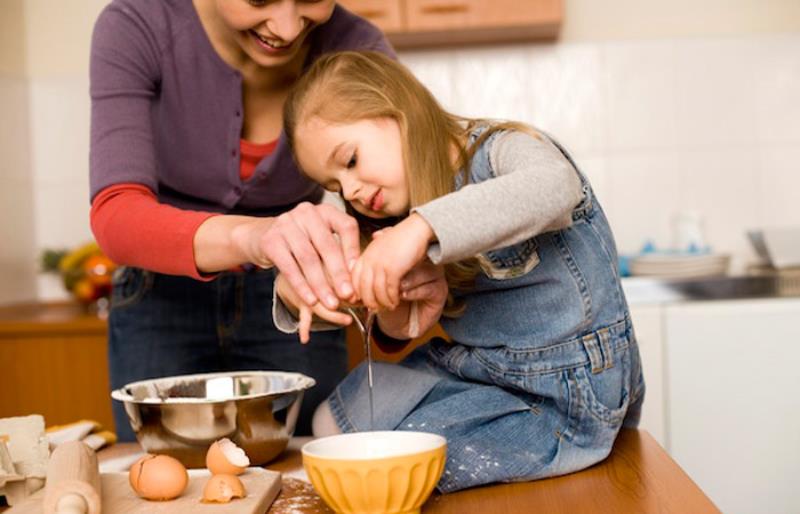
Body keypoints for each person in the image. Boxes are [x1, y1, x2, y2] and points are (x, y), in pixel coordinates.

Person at [275, 50, 646, 492]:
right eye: (335, 185)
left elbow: (555, 186)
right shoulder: (385, 202)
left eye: (351, 160)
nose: (350, 189)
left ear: (398, 111)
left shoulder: (503, 150)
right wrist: (301, 287)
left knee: (391, 462)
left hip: (566, 395)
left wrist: (422, 228)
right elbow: (331, 243)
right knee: (330, 422)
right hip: (477, 370)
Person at [88, 0, 396, 440]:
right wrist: (258, 236)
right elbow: (116, 214)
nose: (288, 29)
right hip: (160, 298)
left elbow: (394, 214)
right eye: (259, 0)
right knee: (163, 487)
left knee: (309, 475)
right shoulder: (137, 25)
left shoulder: (357, 47)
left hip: (293, 296)